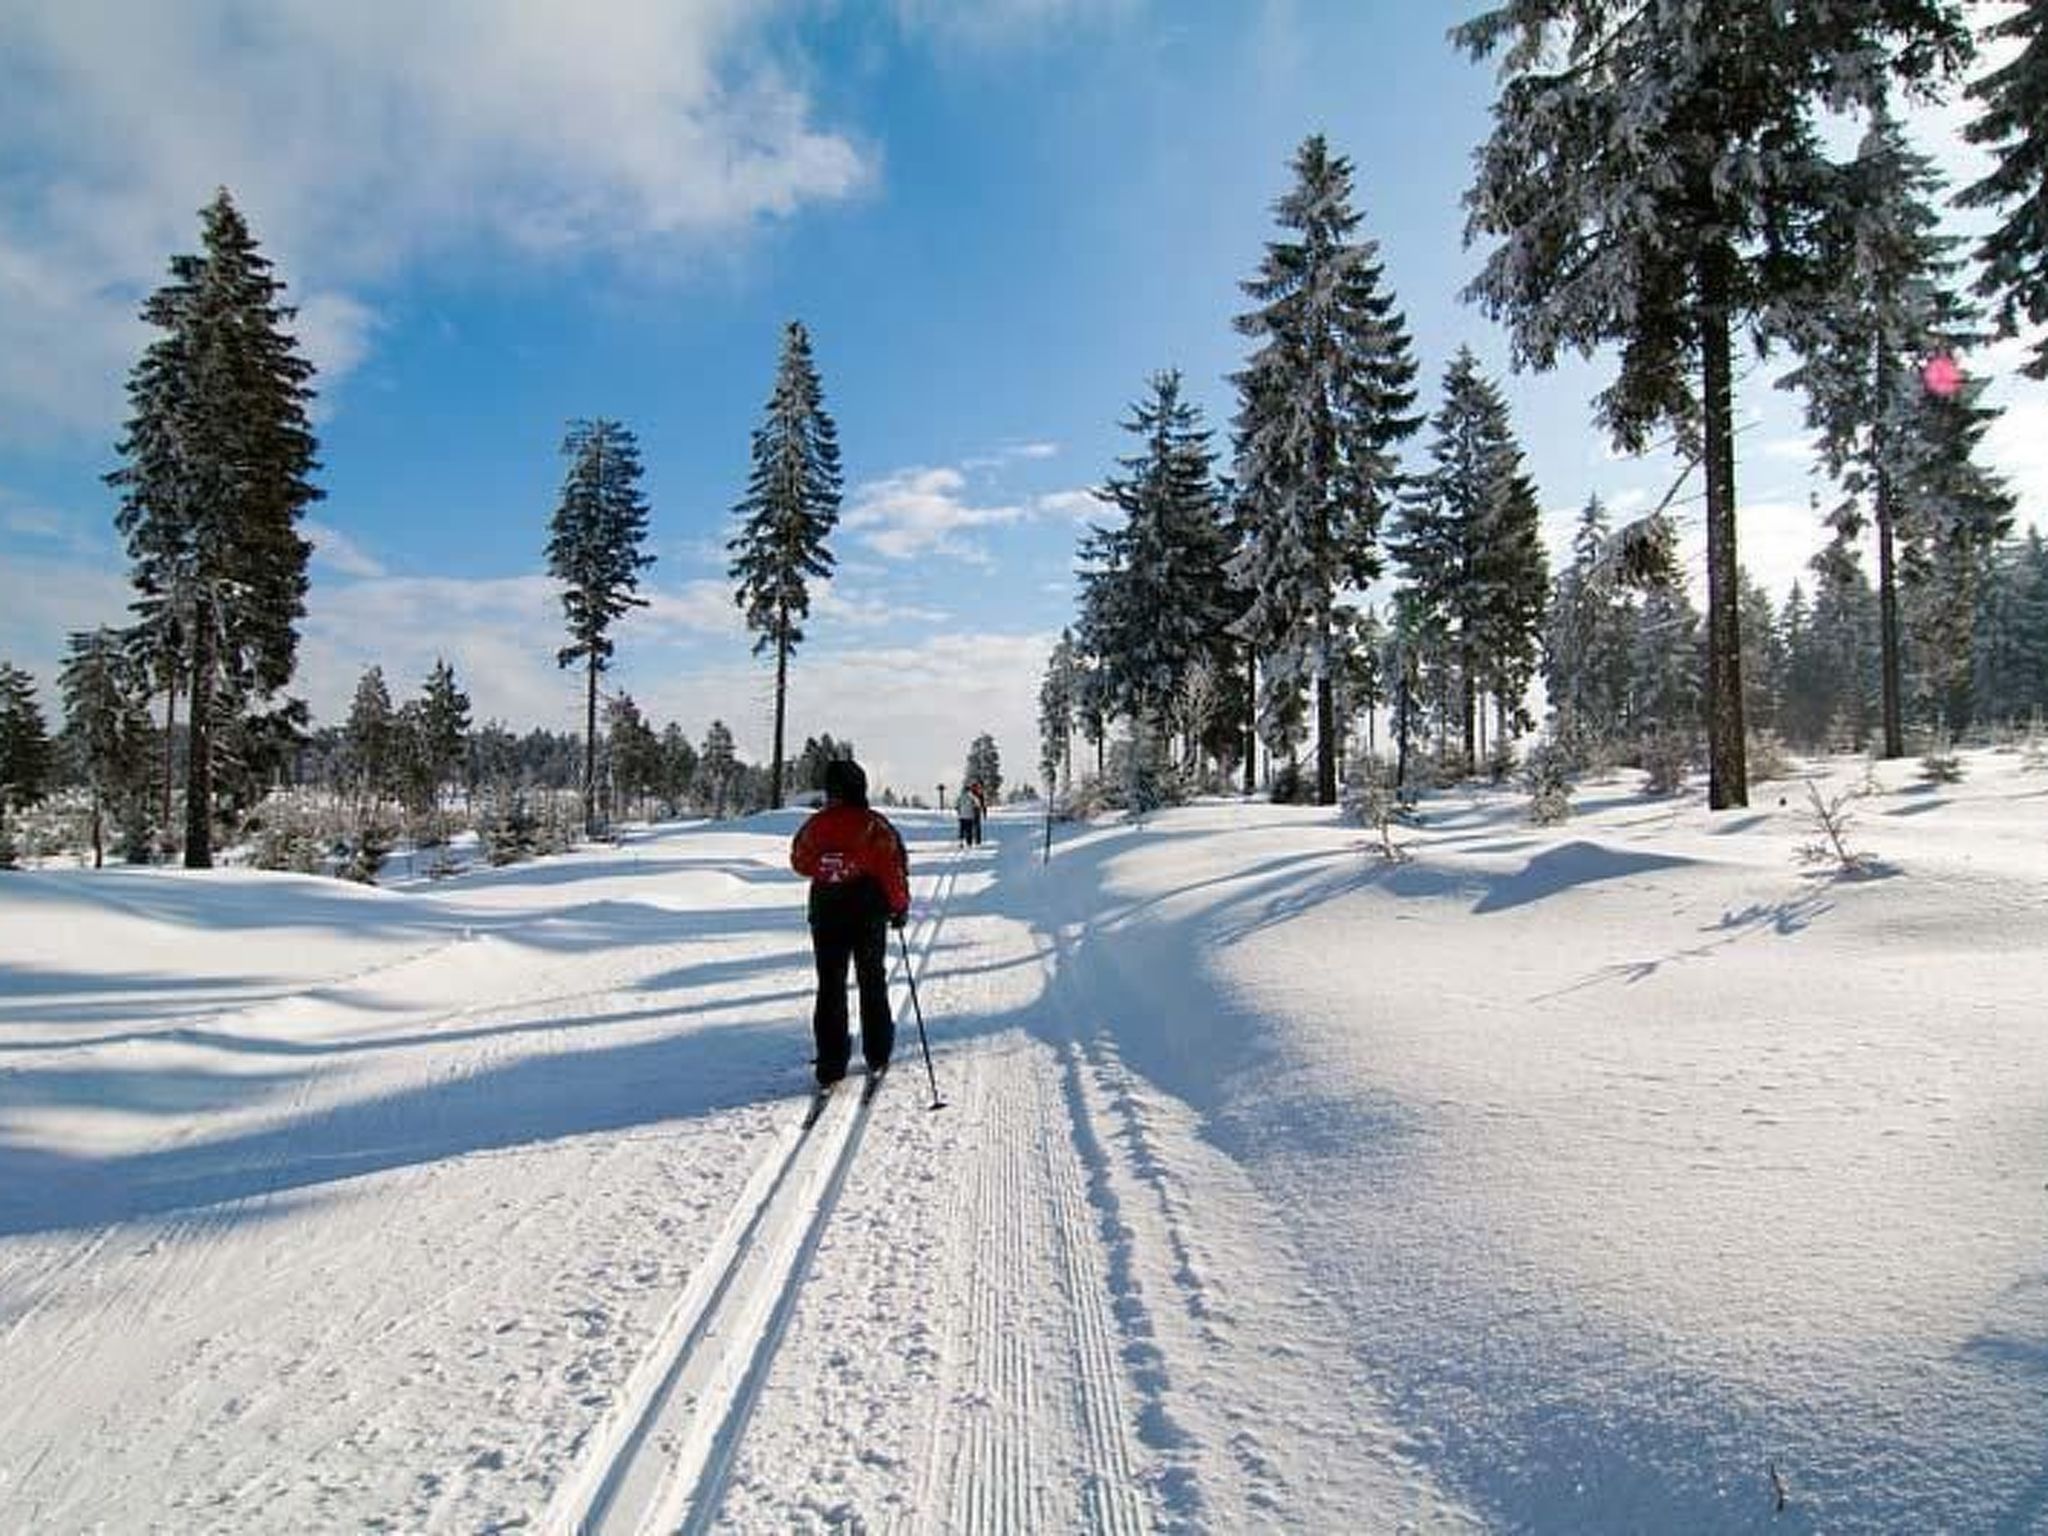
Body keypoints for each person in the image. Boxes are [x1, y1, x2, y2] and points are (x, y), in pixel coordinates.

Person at [790, 758, 909, 1086]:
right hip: (868, 912)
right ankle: (878, 1052)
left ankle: (831, 1064)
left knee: (830, 984)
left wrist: (827, 866)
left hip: (826, 911)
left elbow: (799, 861)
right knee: (872, 979)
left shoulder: (816, 825)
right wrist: (899, 907)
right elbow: (892, 868)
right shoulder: (874, 825)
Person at [955, 783, 981, 848]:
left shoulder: (960, 797)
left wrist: (959, 811)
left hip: (962, 816)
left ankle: (961, 842)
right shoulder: (972, 797)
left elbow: (956, 806)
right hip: (970, 816)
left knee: (962, 829)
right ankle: (969, 843)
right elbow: (977, 805)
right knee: (969, 829)